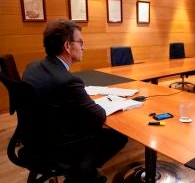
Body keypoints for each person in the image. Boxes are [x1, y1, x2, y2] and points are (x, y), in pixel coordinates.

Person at [22, 19, 128, 183]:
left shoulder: (33, 66)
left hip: (35, 139)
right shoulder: (68, 81)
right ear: (67, 46)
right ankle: (83, 173)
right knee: (118, 136)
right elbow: (99, 116)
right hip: (60, 147)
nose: (83, 46)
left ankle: (83, 172)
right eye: (80, 42)